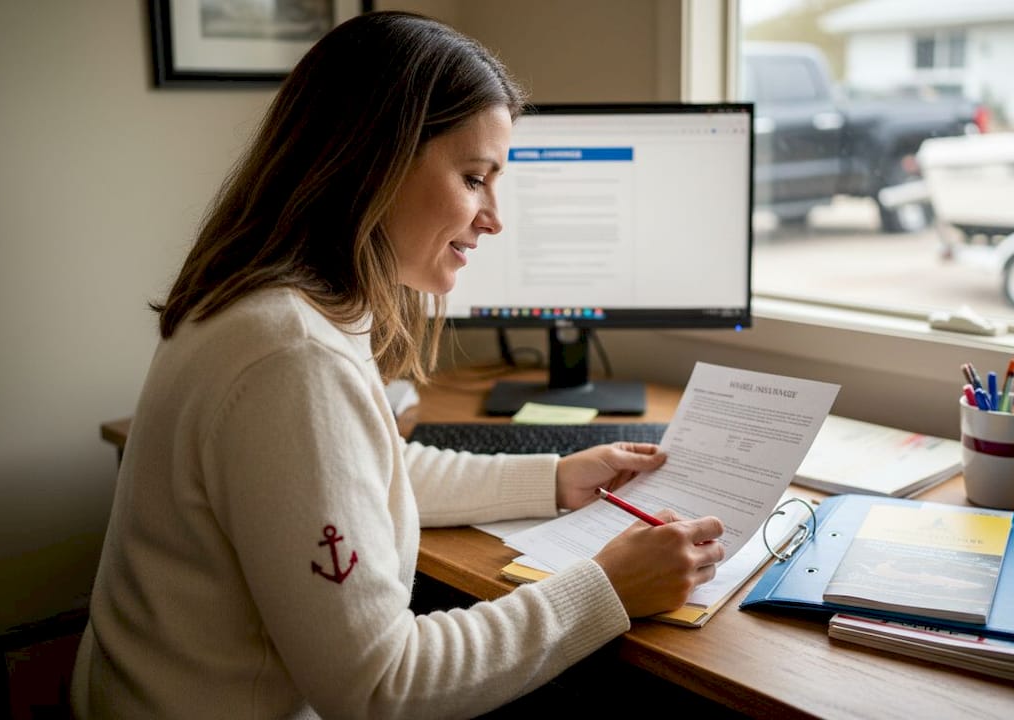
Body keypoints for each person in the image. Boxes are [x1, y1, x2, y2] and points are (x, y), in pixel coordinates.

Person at [71, 10, 724, 719]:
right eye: (474, 178)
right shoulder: (290, 357)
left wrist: (554, 478)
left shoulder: (271, 305)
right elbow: (382, 685)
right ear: (374, 161)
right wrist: (606, 588)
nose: (494, 217)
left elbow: (355, 475)